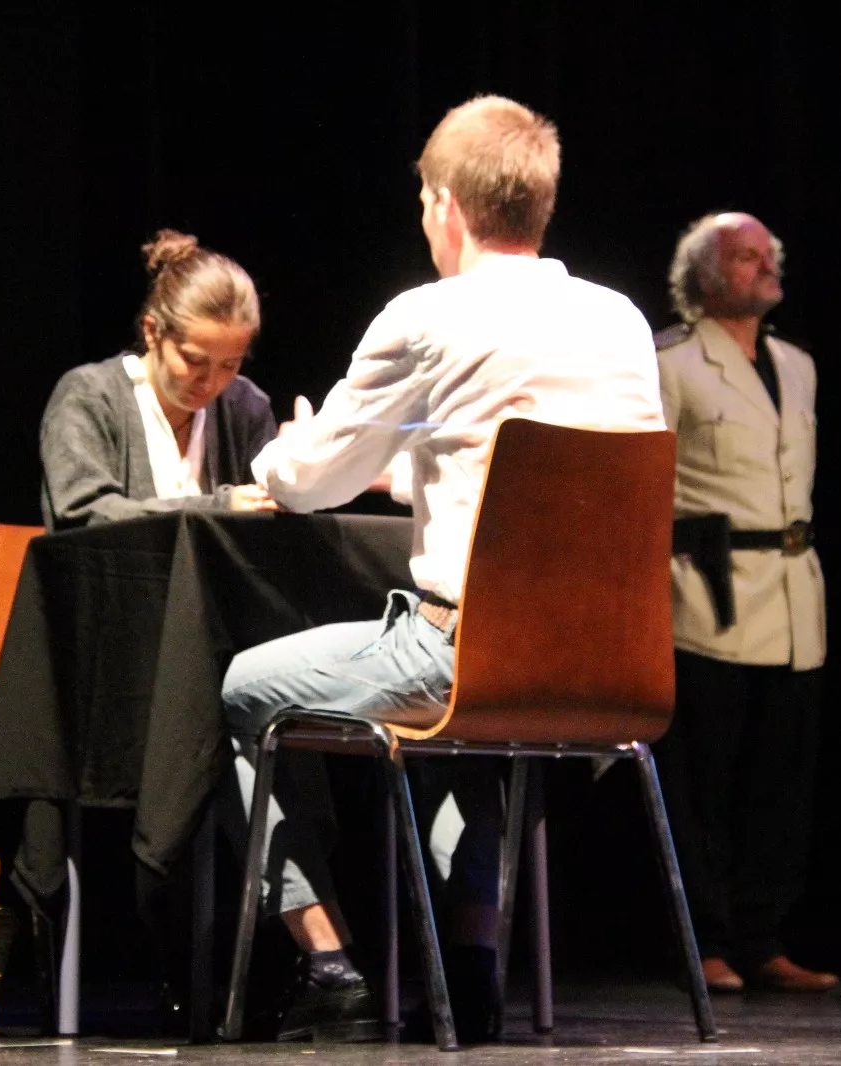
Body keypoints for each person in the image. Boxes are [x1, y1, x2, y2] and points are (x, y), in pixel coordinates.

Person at [218, 95, 667, 1043]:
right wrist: (414, 469)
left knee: (246, 685)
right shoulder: (622, 321)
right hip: (605, 671)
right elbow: (533, 459)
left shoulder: (427, 314)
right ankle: (470, 968)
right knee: (474, 729)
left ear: (446, 206)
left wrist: (282, 454)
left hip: (464, 655)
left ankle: (326, 957)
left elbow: (306, 483)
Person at [650, 212, 837, 993]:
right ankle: (707, 941)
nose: (765, 265)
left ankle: (764, 938)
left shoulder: (797, 364)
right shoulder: (672, 364)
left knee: (778, 784)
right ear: (700, 276)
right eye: (744, 255)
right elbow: (648, 481)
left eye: (769, 254)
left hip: (793, 596)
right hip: (706, 597)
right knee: (706, 785)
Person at [39, 229, 278, 530]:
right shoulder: (89, 397)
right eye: (193, 360)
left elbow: (274, 530)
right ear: (152, 332)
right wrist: (219, 508)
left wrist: (297, 473)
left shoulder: (247, 408)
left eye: (230, 365)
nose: (210, 382)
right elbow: (83, 515)